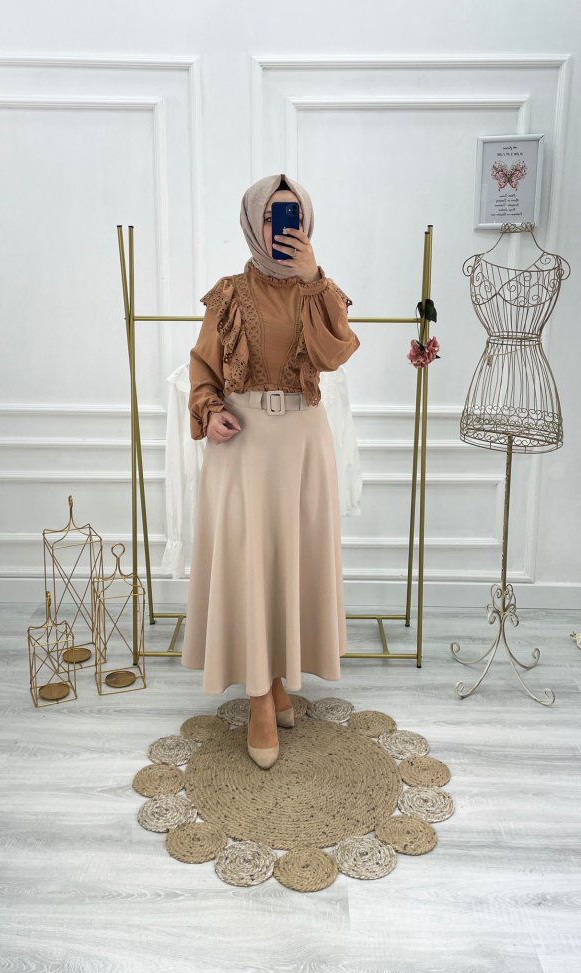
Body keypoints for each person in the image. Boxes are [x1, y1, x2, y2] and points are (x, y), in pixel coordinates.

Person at [182, 173, 360, 768]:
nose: (284, 226)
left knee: (290, 563)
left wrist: (313, 279)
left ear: (306, 223)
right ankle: (260, 697)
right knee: (250, 564)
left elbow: (335, 354)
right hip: (244, 446)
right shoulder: (229, 294)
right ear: (253, 222)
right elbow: (202, 368)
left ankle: (279, 679)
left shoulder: (321, 289)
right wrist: (209, 411)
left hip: (304, 445)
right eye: (272, 215)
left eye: (294, 215)